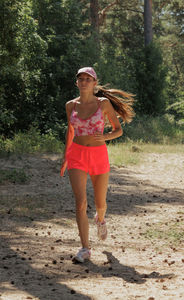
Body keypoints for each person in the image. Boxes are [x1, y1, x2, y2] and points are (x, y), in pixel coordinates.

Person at [60, 67, 135, 263]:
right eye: (80, 79)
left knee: (101, 204)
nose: (84, 82)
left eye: (88, 79)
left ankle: (100, 219)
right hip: (76, 155)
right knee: (80, 202)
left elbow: (118, 130)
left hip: (98, 155)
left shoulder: (104, 104)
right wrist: (65, 157)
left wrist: (106, 136)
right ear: (76, 82)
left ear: (94, 83)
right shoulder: (70, 106)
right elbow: (70, 131)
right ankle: (85, 248)